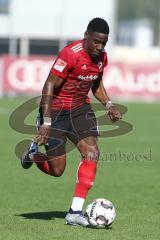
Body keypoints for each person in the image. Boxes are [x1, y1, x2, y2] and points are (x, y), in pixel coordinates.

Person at [21, 17, 122, 227]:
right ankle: (32, 154)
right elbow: (49, 86)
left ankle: (74, 212)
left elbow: (96, 84)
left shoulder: (102, 57)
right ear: (86, 36)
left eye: (104, 43)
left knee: (92, 152)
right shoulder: (70, 54)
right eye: (96, 42)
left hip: (79, 109)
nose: (100, 46)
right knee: (57, 170)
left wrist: (109, 104)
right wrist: (46, 123)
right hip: (56, 111)